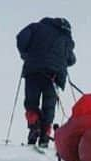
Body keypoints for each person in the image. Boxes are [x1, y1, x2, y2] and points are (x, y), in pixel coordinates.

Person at [16, 17, 76, 147]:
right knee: (49, 105)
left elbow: (21, 37)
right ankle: (45, 135)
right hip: (53, 76)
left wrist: (26, 54)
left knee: (31, 102)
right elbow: (72, 60)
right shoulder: (66, 38)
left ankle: (34, 126)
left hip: (33, 70)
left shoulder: (36, 27)